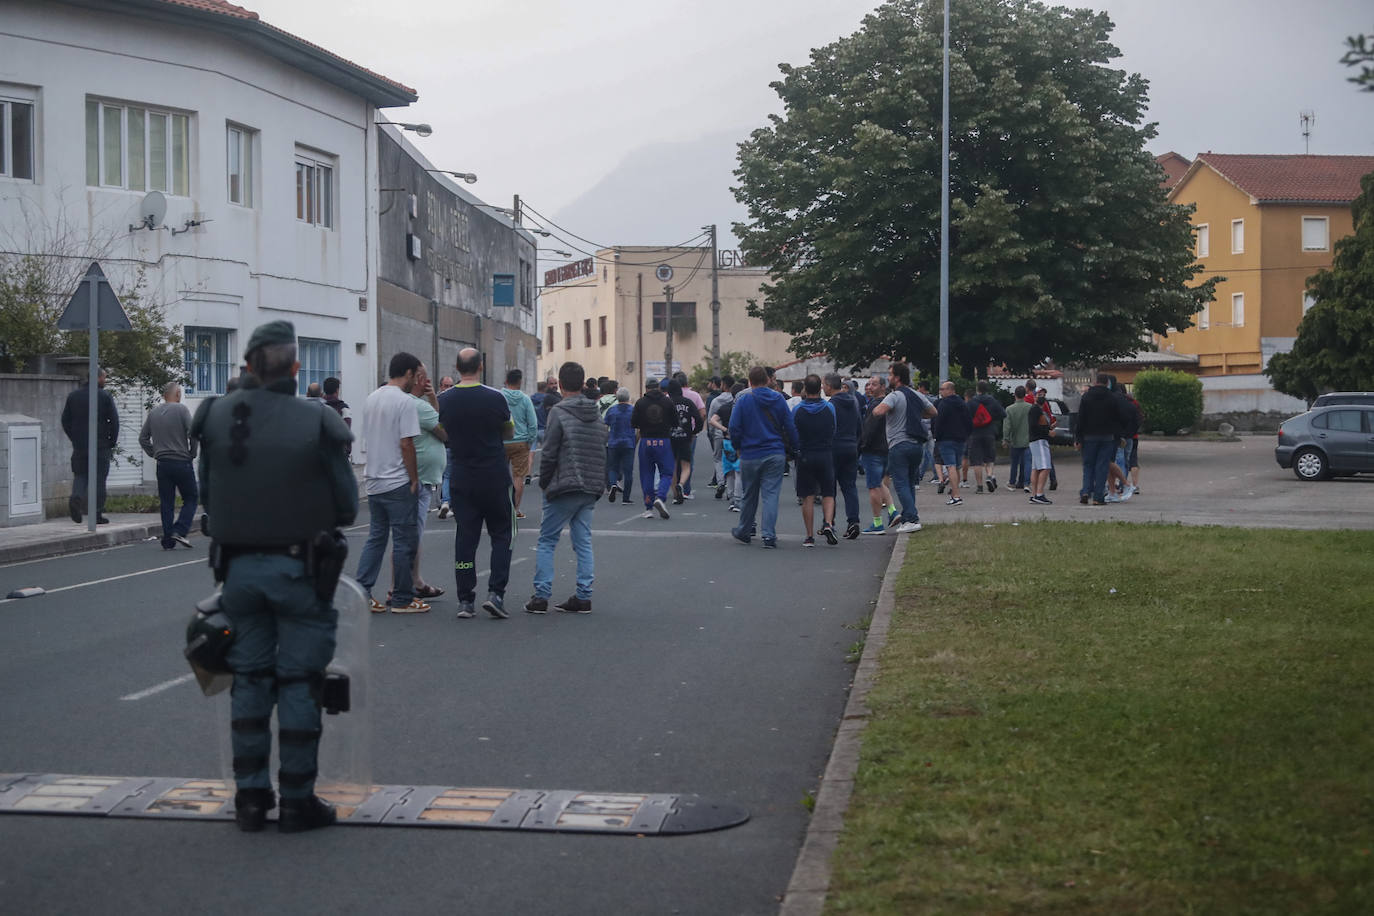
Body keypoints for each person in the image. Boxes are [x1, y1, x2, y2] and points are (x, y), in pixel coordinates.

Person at [191, 319, 357, 833]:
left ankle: (250, 800)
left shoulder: (214, 416)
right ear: (295, 367)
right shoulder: (317, 420)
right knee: (300, 684)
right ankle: (298, 802)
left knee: (250, 681)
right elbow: (348, 506)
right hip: (299, 574)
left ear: (246, 365)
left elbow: (208, 499)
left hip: (237, 575)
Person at [438, 348, 516, 619]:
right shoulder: (496, 397)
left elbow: (441, 433)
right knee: (503, 535)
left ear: (456, 368)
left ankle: (465, 600)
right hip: (494, 475)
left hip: (461, 476)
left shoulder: (444, 399)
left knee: (465, 538)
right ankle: (496, 593)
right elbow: (509, 431)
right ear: (481, 366)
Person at [525, 361, 607, 615]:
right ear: (583, 384)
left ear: (560, 384)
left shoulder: (558, 412)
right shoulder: (596, 412)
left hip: (564, 484)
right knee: (583, 541)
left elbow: (549, 453)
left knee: (548, 540)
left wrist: (545, 482)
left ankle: (541, 596)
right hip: (590, 486)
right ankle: (583, 595)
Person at [354, 353, 427, 613]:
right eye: (416, 375)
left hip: (373, 479)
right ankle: (402, 599)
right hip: (397, 480)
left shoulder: (372, 398)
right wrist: (414, 478)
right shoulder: (404, 402)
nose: (416, 381)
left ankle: (362, 591)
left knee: (376, 538)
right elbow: (407, 443)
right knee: (404, 541)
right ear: (407, 373)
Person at [728, 366, 799, 549]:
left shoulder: (744, 401)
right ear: (768, 380)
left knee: (749, 495)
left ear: (750, 382)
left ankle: (744, 530)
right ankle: (769, 535)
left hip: (750, 454)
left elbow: (734, 427)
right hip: (774, 452)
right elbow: (789, 426)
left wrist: (737, 447)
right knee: (771, 495)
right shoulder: (778, 399)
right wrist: (796, 447)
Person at [870, 361, 934, 532]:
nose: (888, 378)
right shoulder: (916, 395)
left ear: (897, 378)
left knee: (900, 483)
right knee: (910, 484)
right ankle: (908, 517)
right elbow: (933, 411)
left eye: (890, 375)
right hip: (916, 445)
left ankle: (912, 519)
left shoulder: (894, 395)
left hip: (899, 444)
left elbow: (879, 411)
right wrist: (915, 413)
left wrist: (877, 409)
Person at [138, 381, 198, 549]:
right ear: (177, 394)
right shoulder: (182, 410)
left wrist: (154, 452)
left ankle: (168, 540)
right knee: (191, 497)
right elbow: (193, 433)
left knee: (166, 502)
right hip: (181, 461)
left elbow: (143, 438)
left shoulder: (154, 413)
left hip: (162, 464)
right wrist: (192, 453)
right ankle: (179, 529)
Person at [408, 363, 448, 601]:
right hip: (420, 477)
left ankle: (414, 582)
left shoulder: (419, 405)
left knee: (410, 532)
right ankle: (407, 587)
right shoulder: (419, 407)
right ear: (417, 379)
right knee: (412, 534)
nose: (429, 382)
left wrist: (432, 397)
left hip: (420, 475)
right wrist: (431, 399)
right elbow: (444, 431)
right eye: (427, 379)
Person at [61, 366, 118, 524]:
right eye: (104, 378)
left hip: (80, 446)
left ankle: (76, 497)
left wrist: (75, 438)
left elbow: (65, 420)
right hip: (100, 446)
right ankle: (97, 514)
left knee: (81, 476)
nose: (105, 381)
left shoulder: (73, 396)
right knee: (99, 479)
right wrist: (111, 442)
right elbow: (114, 421)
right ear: (98, 378)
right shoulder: (105, 396)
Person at [792, 374, 838, 547]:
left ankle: (809, 536)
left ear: (805, 388)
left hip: (805, 454)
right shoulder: (829, 408)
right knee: (828, 492)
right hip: (825, 453)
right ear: (820, 388)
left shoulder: (797, 409)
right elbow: (834, 429)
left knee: (807, 496)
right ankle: (828, 523)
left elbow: (792, 430)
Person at [1075, 373, 1134, 505]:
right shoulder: (1112, 398)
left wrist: (1078, 437)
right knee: (1102, 466)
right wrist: (1119, 433)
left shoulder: (1086, 397)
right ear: (1107, 383)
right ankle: (1098, 497)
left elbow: (1080, 419)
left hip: (1088, 437)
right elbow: (1122, 417)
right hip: (1107, 437)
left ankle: (1085, 491)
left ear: (1095, 382)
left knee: (1088, 465)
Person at [823, 373, 863, 539]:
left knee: (830, 488)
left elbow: (827, 427)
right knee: (849, 486)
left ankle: (829, 522)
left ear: (830, 386)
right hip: (851, 446)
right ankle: (853, 521)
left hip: (834, 447)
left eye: (824, 385)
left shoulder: (831, 404)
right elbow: (859, 426)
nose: (823, 388)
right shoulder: (853, 402)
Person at [631, 377, 676, 519]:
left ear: (646, 388)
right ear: (658, 387)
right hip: (663, 441)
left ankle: (648, 507)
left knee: (647, 475)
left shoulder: (640, 403)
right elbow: (675, 422)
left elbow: (633, 423)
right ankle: (660, 497)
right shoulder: (667, 401)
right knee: (667, 472)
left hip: (646, 441)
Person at [859, 376, 897, 534]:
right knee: (880, 483)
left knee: (873, 486)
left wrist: (861, 445)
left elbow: (869, 429)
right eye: (868, 384)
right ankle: (893, 511)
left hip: (872, 450)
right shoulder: (890, 404)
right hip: (886, 448)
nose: (869, 387)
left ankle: (877, 523)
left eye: (874, 384)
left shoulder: (876, 405)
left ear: (883, 387)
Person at [500, 369, 538, 520]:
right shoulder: (525, 399)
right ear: (520, 381)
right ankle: (515, 509)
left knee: (500, 476)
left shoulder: (498, 397)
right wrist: (530, 440)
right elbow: (533, 424)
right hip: (521, 441)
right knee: (518, 477)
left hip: (501, 441)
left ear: (506, 380)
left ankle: (500, 507)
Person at [932, 380, 972, 506]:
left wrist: (936, 436)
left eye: (943, 389)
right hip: (961, 439)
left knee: (950, 466)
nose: (941, 392)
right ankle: (955, 492)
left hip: (946, 439)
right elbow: (969, 421)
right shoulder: (962, 403)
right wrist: (966, 434)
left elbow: (939, 421)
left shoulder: (944, 404)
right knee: (957, 466)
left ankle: (956, 495)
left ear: (950, 390)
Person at [966, 380, 1006, 493]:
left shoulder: (972, 402)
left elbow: (965, 417)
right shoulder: (992, 401)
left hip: (974, 434)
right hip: (989, 432)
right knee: (989, 458)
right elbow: (1003, 414)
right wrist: (991, 418)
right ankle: (989, 475)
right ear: (987, 389)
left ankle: (979, 486)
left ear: (977, 389)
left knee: (976, 461)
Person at [667, 378, 703, 504]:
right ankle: (681, 484)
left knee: (672, 466)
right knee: (686, 465)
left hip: (670, 438)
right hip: (685, 438)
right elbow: (698, 418)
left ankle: (676, 495)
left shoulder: (667, 402)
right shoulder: (687, 402)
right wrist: (694, 431)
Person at [706, 375, 736, 498]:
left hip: (718, 434)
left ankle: (720, 482)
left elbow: (710, 419)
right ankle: (732, 487)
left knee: (717, 458)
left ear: (723, 385)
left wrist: (712, 432)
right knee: (733, 459)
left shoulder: (716, 400)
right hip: (732, 435)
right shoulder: (736, 399)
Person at [603, 387, 635, 504]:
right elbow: (637, 428)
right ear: (628, 397)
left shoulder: (611, 410)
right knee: (628, 472)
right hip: (628, 443)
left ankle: (613, 484)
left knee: (612, 468)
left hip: (613, 442)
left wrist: (606, 439)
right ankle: (626, 498)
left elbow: (605, 427)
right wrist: (635, 440)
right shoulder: (633, 410)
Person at [1003, 386, 1032, 493]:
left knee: (1014, 462)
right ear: (1025, 395)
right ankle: (1026, 483)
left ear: (1015, 395)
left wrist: (1006, 439)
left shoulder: (1009, 409)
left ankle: (1012, 482)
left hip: (1015, 440)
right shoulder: (1030, 407)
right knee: (1028, 462)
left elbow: (1007, 426)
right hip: (1028, 439)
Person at [1027, 393, 1054, 505]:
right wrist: (1047, 431)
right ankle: (1039, 493)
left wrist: (1048, 427)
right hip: (1039, 441)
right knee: (1046, 467)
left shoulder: (1034, 410)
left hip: (1035, 441)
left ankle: (1034, 494)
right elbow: (1034, 426)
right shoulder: (1036, 411)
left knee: (1036, 468)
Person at [435, 375, 455, 517]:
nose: (448, 388)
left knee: (445, 475)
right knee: (448, 475)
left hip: (451, 444)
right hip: (446, 444)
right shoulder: (453, 400)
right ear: (441, 386)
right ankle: (447, 501)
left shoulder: (437, 401)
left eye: (450, 386)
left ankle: (445, 501)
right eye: (446, 385)